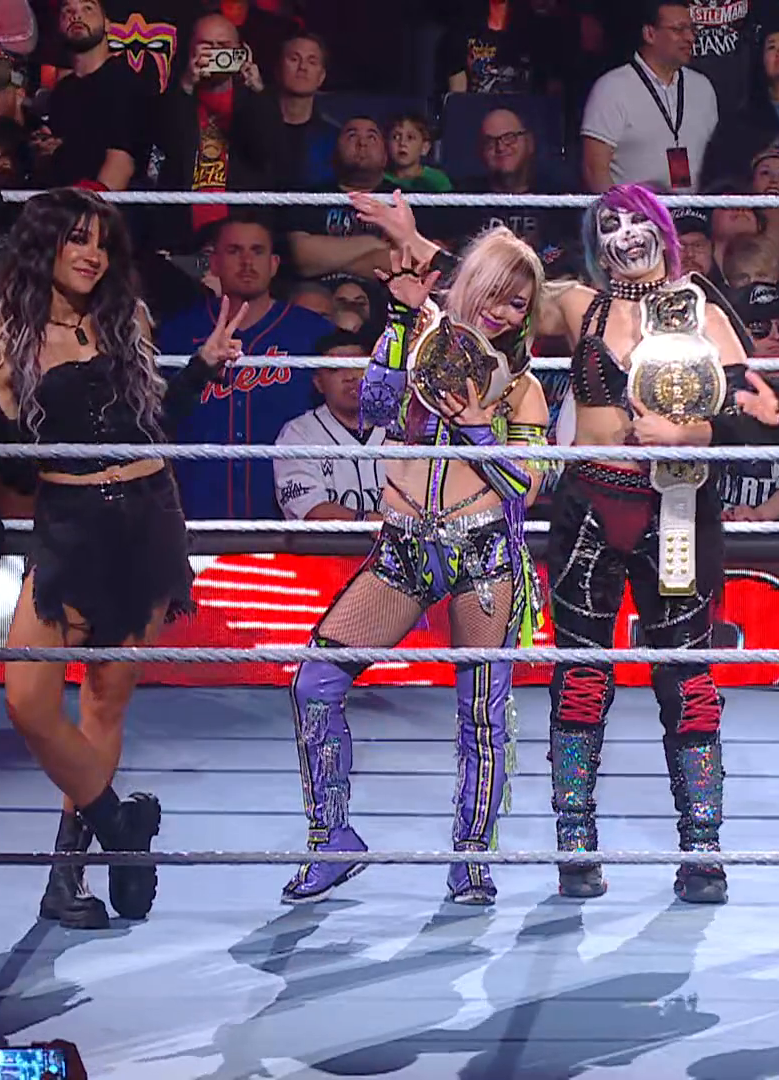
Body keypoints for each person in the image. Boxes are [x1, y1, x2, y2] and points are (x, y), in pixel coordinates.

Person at [0, 188, 243, 929]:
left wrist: (202, 368)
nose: (92, 254)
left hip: (147, 516)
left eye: (100, 241)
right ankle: (120, 828)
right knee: (27, 701)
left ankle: (66, 878)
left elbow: (158, 424)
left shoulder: (126, 319)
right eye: (77, 239)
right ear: (45, 247)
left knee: (105, 699)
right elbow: (17, 474)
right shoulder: (0, 350)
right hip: (68, 524)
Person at [510, 182, 779, 905]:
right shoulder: (580, 306)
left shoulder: (700, 308)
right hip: (591, 503)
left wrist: (693, 431)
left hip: (676, 504)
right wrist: (416, 246)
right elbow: (496, 299)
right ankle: (575, 843)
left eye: (635, 220)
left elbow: (756, 409)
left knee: (687, 677)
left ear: (662, 229)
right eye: (608, 224)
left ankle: (702, 849)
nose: (624, 235)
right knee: (580, 675)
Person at [279, 219, 553, 907]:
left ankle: (471, 858)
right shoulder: (419, 343)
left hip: (482, 552)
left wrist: (477, 429)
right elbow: (374, 406)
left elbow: (525, 486)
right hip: (403, 546)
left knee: (481, 714)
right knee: (314, 682)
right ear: (466, 286)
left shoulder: (522, 386)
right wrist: (400, 319)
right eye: (492, 292)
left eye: (517, 303)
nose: (500, 311)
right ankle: (332, 838)